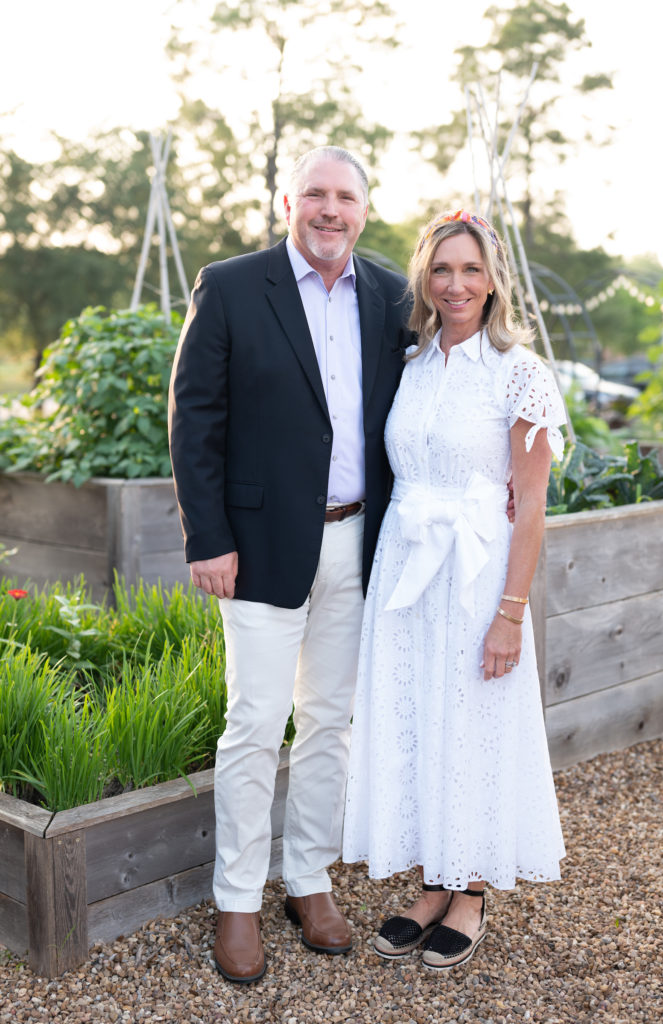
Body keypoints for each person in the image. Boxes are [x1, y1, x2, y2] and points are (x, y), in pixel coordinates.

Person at [168, 146, 412, 984]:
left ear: (365, 210)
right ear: (286, 203)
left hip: (357, 539)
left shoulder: (391, 295)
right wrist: (208, 537)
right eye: (316, 194)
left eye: (345, 196)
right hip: (260, 544)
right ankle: (237, 898)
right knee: (253, 722)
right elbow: (194, 413)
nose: (330, 210)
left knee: (329, 723)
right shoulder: (232, 285)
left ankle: (308, 881)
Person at [342, 209, 567, 972]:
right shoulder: (411, 363)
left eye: (471, 269)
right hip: (407, 575)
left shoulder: (519, 373)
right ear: (424, 279)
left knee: (471, 722)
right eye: (443, 269)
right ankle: (433, 878)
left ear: (494, 279)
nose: (457, 283)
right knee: (418, 720)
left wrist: (511, 614)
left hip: (477, 580)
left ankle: (469, 888)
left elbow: (530, 506)